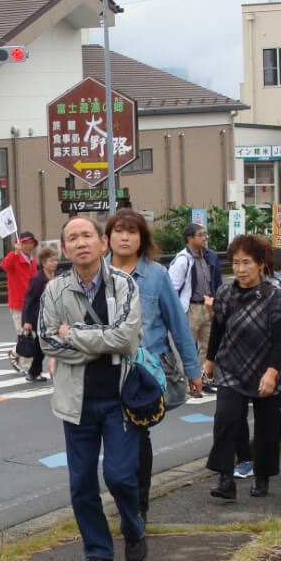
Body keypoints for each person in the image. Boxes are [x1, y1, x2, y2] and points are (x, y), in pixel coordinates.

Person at [39, 216, 144, 561]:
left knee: (120, 476)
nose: (81, 242)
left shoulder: (124, 284)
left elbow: (126, 338)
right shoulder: (54, 290)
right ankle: (98, 552)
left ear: (103, 242)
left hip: (120, 397)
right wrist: (99, 343)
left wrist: (74, 334)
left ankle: (133, 526)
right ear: (64, 249)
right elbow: (46, 340)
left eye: (87, 235)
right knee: (82, 483)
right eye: (72, 238)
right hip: (76, 401)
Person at [105, 209, 203, 520]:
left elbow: (178, 325)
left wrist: (193, 370)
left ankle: (139, 508)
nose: (124, 237)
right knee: (113, 438)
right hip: (104, 371)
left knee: (138, 435)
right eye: (119, 231)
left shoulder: (157, 275)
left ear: (142, 238)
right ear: (107, 237)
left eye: (132, 231)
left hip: (145, 373)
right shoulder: (96, 272)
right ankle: (127, 501)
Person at [205, 234, 281, 501]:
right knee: (226, 419)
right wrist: (210, 360)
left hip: (265, 366)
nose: (240, 269)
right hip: (231, 365)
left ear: (260, 264)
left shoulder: (274, 297)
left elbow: (279, 341)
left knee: (266, 425)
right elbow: (218, 329)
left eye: (246, 263)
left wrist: (272, 372)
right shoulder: (225, 293)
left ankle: (262, 476)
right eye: (236, 263)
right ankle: (225, 478)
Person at [234, 257, 281, 479]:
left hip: (273, 362)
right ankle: (244, 460)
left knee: (268, 413)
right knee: (235, 411)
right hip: (242, 362)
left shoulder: (279, 290)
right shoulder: (233, 290)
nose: (243, 268)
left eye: (249, 261)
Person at [168, 222, 222, 388]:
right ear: (189, 239)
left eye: (205, 234)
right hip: (190, 308)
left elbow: (216, 281)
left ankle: (202, 377)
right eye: (200, 235)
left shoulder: (208, 257)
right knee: (188, 347)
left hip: (207, 306)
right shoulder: (183, 260)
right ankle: (188, 381)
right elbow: (172, 287)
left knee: (210, 345)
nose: (205, 238)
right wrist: (176, 312)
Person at [20, 243, 60, 382]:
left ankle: (34, 372)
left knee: (45, 346)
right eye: (51, 261)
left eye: (55, 260)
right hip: (39, 318)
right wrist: (27, 321)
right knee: (41, 346)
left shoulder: (57, 277)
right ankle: (34, 372)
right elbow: (29, 301)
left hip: (54, 317)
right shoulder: (37, 279)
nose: (54, 263)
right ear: (43, 263)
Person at [2, 231, 39, 374]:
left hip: (31, 304)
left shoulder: (32, 260)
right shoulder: (15, 258)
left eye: (30, 243)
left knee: (32, 335)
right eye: (25, 243)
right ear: (19, 244)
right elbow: (5, 265)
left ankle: (14, 352)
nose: (28, 245)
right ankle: (27, 367)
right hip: (18, 304)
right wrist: (15, 252)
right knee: (25, 336)